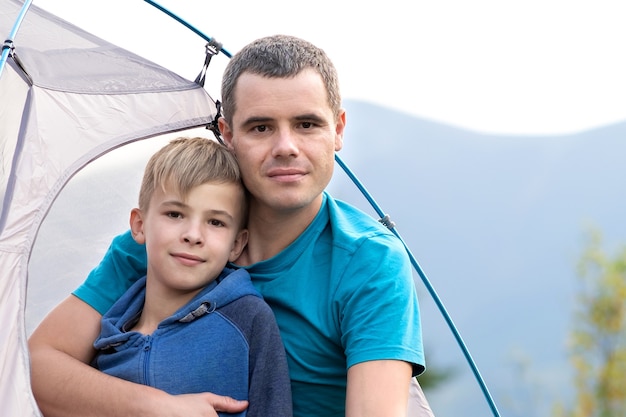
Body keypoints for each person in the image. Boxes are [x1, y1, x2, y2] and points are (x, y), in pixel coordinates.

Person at [29, 34, 432, 417]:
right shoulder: (171, 238)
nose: (286, 146)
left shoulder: (369, 261)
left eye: (307, 125)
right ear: (227, 134)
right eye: (261, 127)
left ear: (338, 130)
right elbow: (38, 363)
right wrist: (159, 408)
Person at [91, 136, 292, 417]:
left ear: (237, 243)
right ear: (139, 225)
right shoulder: (106, 340)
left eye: (215, 222)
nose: (193, 235)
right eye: (174, 214)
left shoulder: (248, 318)